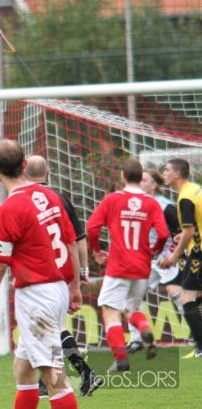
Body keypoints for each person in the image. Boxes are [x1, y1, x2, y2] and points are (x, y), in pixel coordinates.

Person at [0, 140, 81, 409]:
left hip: (36, 296)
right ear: (24, 164)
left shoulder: (9, 209)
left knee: (53, 375)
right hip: (57, 289)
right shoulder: (50, 196)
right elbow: (71, 243)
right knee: (23, 368)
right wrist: (75, 286)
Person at [25, 156, 102, 397]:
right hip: (64, 272)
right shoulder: (60, 199)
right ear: (48, 172)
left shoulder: (23, 201)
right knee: (51, 328)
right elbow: (79, 239)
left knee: (44, 329)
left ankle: (66, 378)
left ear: (25, 174)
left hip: (42, 276)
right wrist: (82, 272)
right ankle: (70, 377)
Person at [87, 158, 168, 372]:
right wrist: (155, 250)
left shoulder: (112, 199)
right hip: (142, 266)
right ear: (141, 178)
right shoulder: (151, 203)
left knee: (110, 311)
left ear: (122, 175)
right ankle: (144, 328)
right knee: (132, 308)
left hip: (118, 266)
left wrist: (96, 251)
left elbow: (92, 227)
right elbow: (163, 234)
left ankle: (121, 358)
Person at [127, 167, 183, 353]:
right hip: (145, 260)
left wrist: (171, 254)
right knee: (133, 296)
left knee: (176, 292)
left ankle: (198, 332)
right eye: (139, 180)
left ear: (154, 184)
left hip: (165, 257)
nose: (140, 183)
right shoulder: (135, 204)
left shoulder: (166, 206)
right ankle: (136, 339)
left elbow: (180, 233)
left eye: (144, 180)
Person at [161, 158, 202, 358]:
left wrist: (175, 255)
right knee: (197, 296)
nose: (164, 173)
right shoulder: (195, 189)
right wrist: (184, 236)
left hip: (199, 251)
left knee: (187, 298)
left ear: (177, 174)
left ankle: (200, 347)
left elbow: (189, 231)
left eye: (167, 170)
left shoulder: (184, 197)